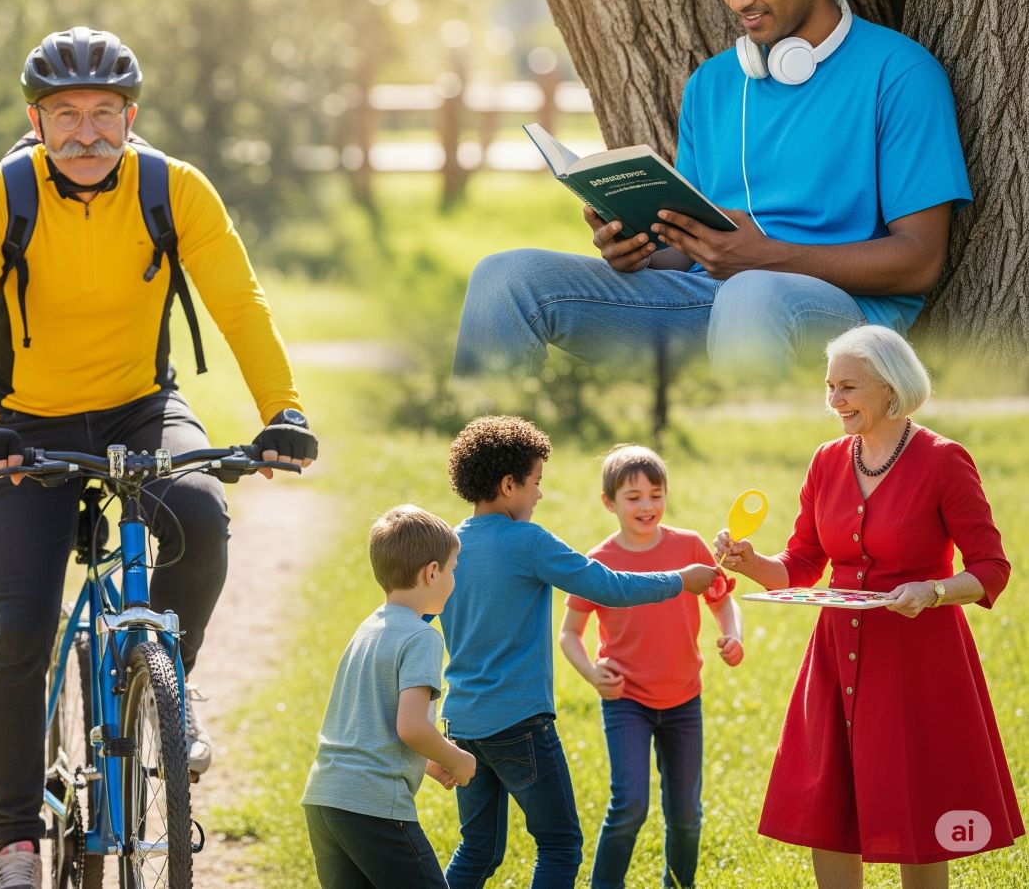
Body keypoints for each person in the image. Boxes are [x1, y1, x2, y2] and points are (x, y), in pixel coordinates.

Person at [0, 25, 318, 886]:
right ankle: (15, 838)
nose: (86, 133)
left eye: (105, 112)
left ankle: (163, 699)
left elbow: (240, 305)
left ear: (130, 115)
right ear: (35, 120)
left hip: (142, 407)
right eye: (65, 114)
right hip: (24, 424)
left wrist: (282, 409)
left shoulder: (174, 189)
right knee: (19, 627)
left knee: (202, 515)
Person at [453, 0, 971, 379]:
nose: (737, 0)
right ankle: (489, 459)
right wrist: (638, 248)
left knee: (752, 291)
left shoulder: (900, 74)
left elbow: (920, 260)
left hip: (846, 319)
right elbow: (688, 252)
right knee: (506, 277)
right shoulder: (713, 83)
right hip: (710, 299)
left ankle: (751, 457)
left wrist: (766, 258)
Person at [716, 325, 1023, 887]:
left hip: (917, 657)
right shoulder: (827, 461)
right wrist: (750, 562)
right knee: (828, 802)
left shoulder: (944, 460)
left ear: (891, 388)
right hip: (837, 655)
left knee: (917, 801)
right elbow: (804, 563)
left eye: (848, 387)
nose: (835, 401)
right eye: (830, 387)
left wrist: (932, 591)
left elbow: (991, 569)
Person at [438, 416, 719, 888]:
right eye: (535, 483)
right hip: (520, 724)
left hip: (462, 723)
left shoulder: (449, 543)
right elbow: (605, 585)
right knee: (560, 843)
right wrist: (678, 581)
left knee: (477, 849)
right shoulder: (527, 541)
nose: (539, 495)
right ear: (509, 485)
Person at [559, 445, 743, 889]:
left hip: (683, 698)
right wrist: (591, 674)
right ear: (609, 502)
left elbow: (721, 600)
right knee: (630, 805)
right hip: (626, 700)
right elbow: (569, 633)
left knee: (685, 814)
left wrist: (732, 634)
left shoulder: (690, 546)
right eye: (633, 496)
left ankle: (679, 883)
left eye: (656, 494)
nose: (647, 506)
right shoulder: (598, 562)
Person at [300, 505, 475, 887]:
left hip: (325, 796)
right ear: (432, 572)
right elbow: (411, 726)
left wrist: (427, 763)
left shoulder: (368, 628)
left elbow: (368, 718)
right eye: (453, 570)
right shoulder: (422, 636)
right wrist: (457, 759)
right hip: (374, 805)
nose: (454, 580)